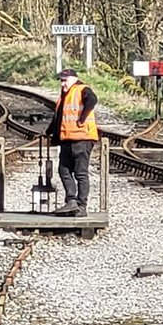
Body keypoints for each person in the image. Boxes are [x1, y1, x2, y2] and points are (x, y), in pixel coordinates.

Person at [45, 68, 99, 217]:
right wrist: (48, 132)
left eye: (65, 80)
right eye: (61, 81)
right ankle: (71, 201)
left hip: (83, 138)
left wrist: (82, 118)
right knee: (64, 170)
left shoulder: (82, 89)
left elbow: (93, 100)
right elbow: (59, 118)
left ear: (74, 79)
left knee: (81, 173)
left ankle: (82, 206)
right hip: (67, 139)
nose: (62, 84)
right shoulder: (64, 96)